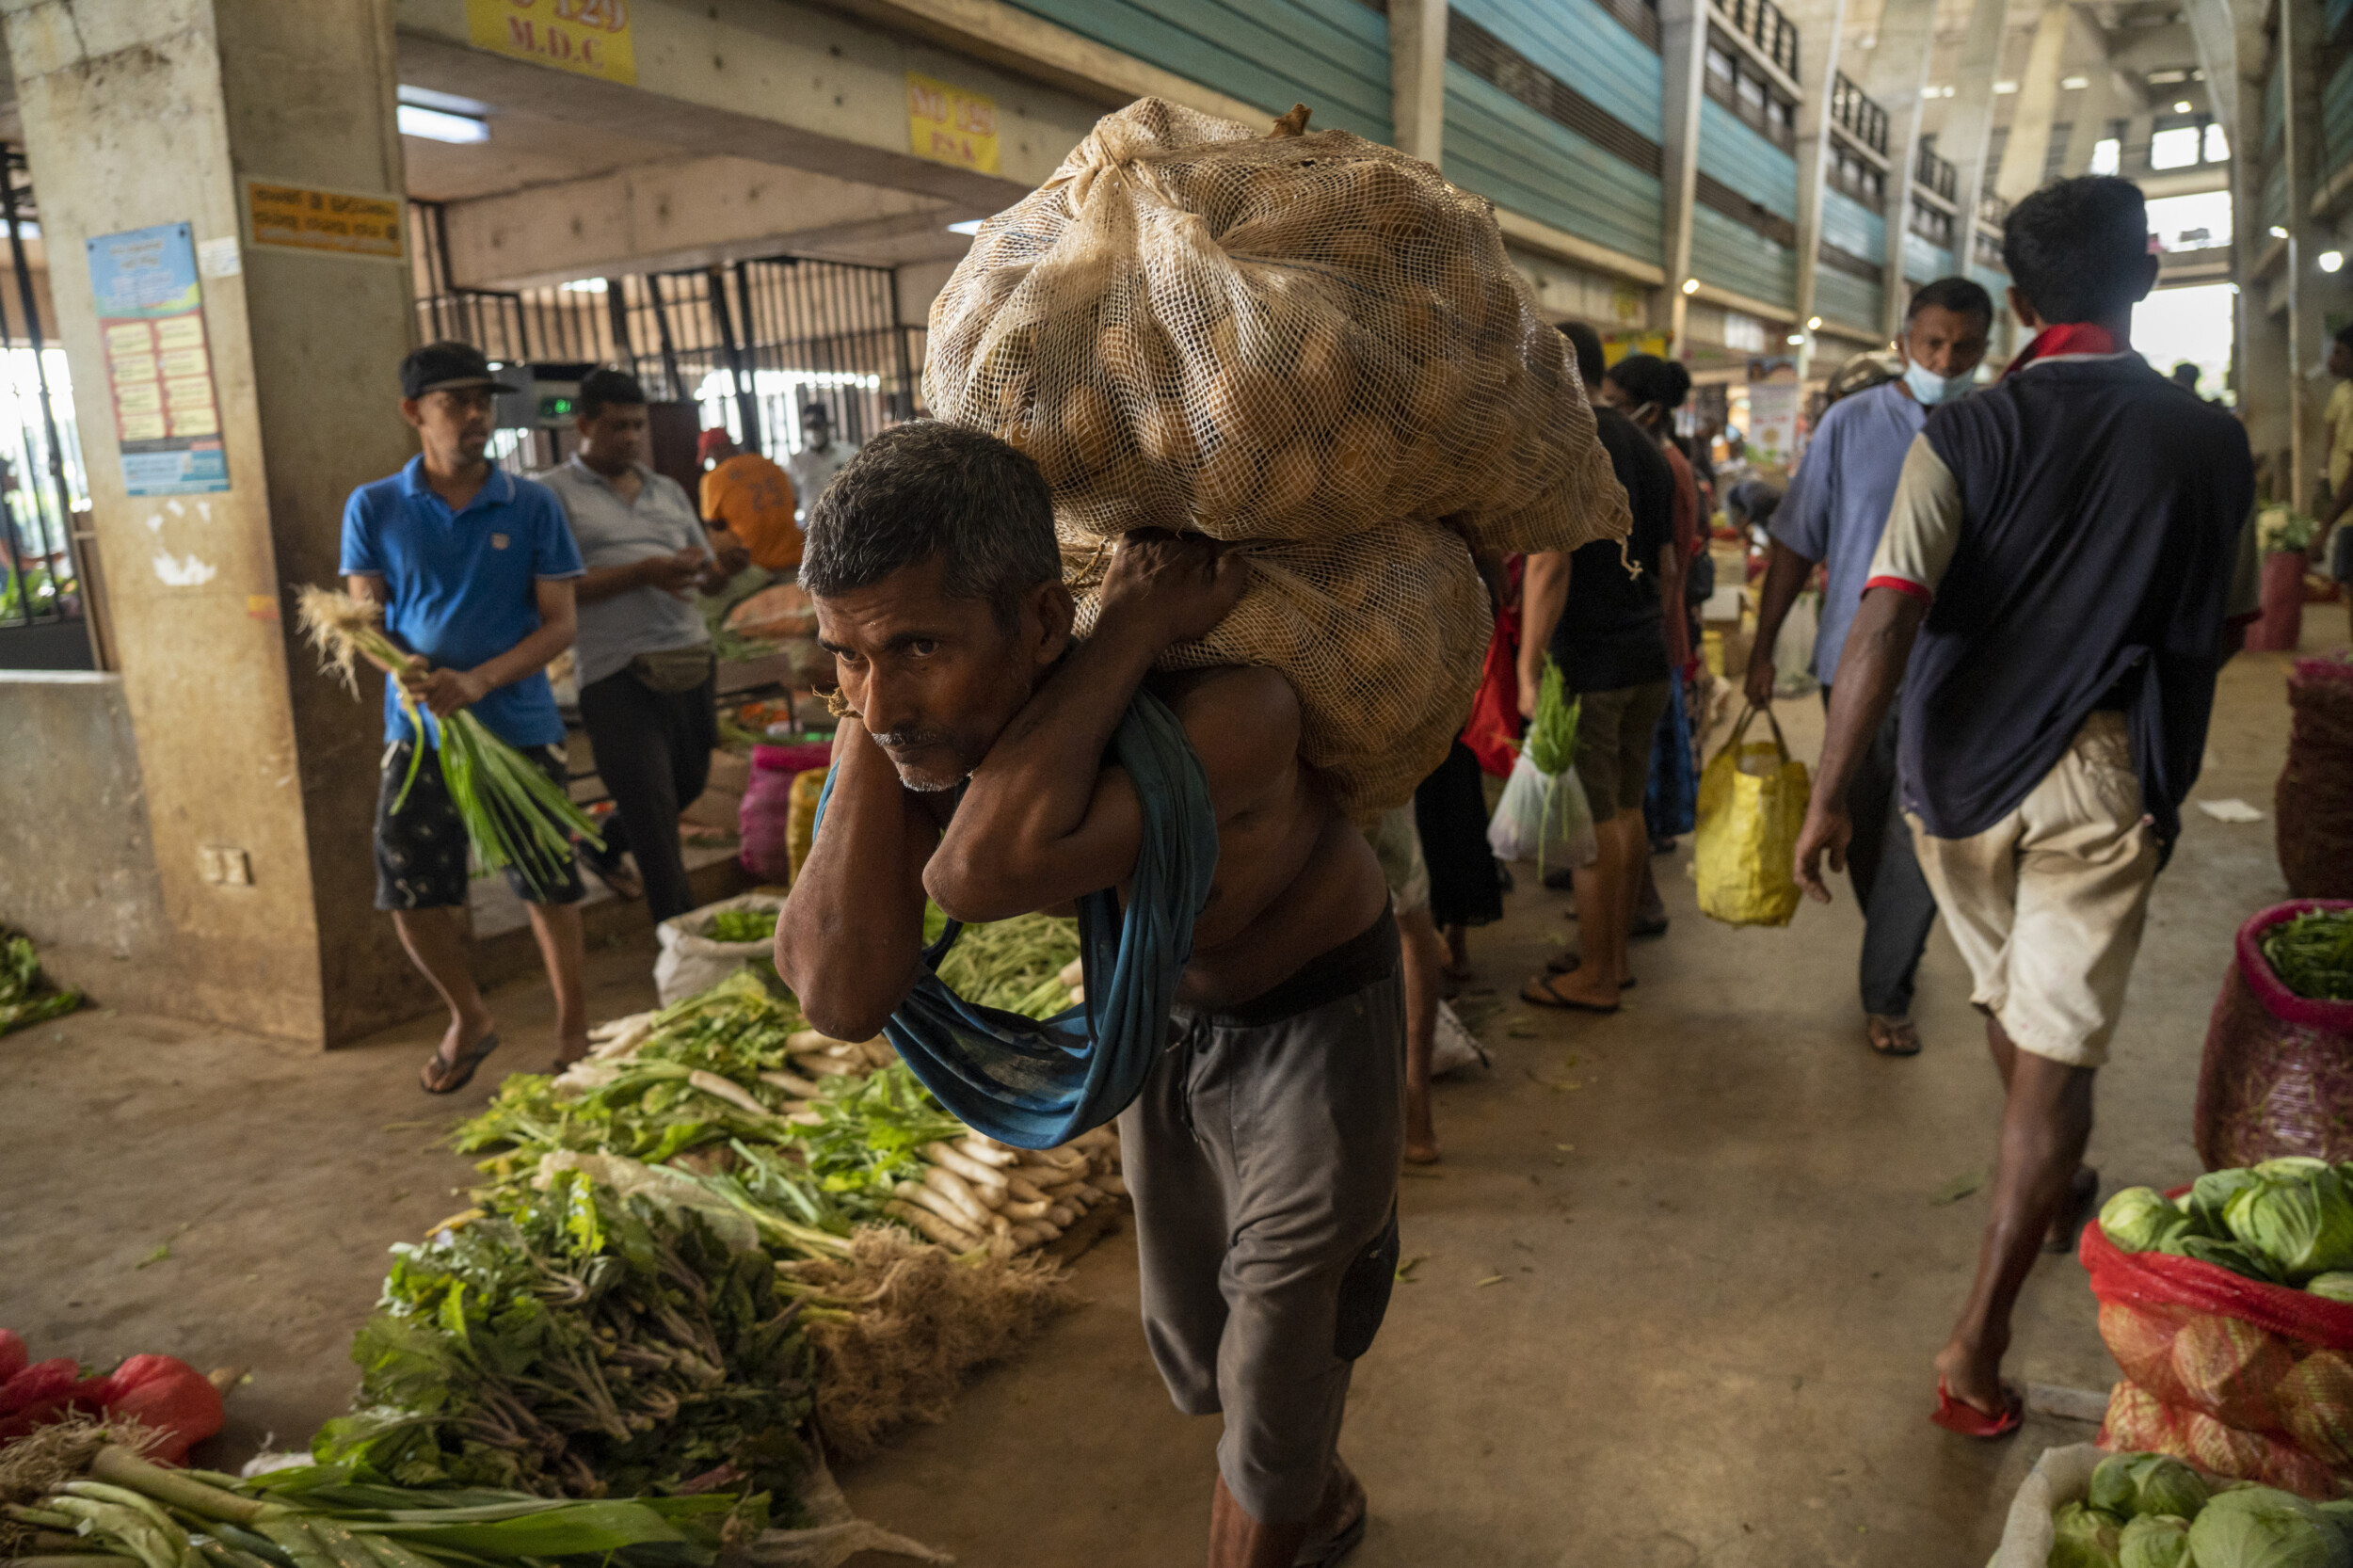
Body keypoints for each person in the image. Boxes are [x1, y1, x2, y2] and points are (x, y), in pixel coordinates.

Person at [776, 423, 1399, 1568]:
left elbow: (977, 873)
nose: (882, 696)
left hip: (1315, 1016)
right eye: (848, 655)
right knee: (1197, 1336)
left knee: (1279, 1339)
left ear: (1043, 622)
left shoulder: (1232, 709)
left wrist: (1131, 630)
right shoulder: (943, 736)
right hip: (1164, 1019)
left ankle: (1282, 1505)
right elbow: (839, 987)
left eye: (920, 643)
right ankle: (1312, 1479)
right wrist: (871, 705)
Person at [1791, 176, 2260, 1438]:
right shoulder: (2209, 443)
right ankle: (1975, 1346)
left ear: (2012, 303)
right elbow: (2229, 626)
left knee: (2018, 1013)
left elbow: (1885, 609)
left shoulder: (1967, 432)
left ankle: (2048, 1177)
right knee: (2048, 1064)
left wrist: (1830, 795)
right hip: (2104, 774)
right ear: (2149, 278)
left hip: (1947, 778)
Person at [1748, 276, 1994, 1059]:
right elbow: (1796, 542)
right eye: (1932, 344)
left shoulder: (1997, 427)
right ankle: (1888, 940)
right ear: (1903, 345)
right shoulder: (1851, 424)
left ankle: (1887, 987)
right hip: (1851, 666)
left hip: (1956, 670)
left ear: (1987, 350)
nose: (1946, 359)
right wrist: (1761, 649)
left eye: (1963, 347)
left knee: (1920, 825)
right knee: (1857, 822)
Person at [339, 342, 589, 1093]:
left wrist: (478, 681)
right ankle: (469, 1015)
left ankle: (574, 1032)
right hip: (418, 737)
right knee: (409, 889)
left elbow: (559, 625)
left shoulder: (533, 503)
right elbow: (360, 618)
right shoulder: (374, 506)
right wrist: (408, 671)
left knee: (550, 883)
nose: (476, 416)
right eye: (456, 402)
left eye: (483, 402)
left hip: (517, 726)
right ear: (415, 413)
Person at [540, 370, 746, 925]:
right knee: (654, 815)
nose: (631, 437)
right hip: (616, 673)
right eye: (616, 426)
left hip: (689, 656)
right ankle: (681, 939)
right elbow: (553, 591)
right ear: (583, 425)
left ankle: (603, 843)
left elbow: (704, 578)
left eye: (637, 426)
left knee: (688, 783)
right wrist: (641, 574)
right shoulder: (553, 495)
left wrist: (724, 571)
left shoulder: (667, 490)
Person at [1517, 325, 1675, 1013]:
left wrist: (1526, 669)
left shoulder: (1566, 442)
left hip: (1594, 663)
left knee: (1590, 825)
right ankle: (1610, 957)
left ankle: (1598, 975)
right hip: (1646, 656)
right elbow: (1667, 568)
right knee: (1626, 810)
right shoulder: (1644, 442)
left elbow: (1549, 563)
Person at [696, 428, 802, 573]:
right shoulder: (770, 464)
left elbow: (714, 526)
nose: (712, 461)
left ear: (717, 449)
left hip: (756, 568)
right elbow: (794, 503)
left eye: (709, 455)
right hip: (796, 559)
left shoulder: (713, 479)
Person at [2309, 324, 2353, 635]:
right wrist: (2325, 475)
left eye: (2339, 353)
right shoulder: (2343, 393)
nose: (2330, 360)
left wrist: (2324, 527)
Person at [785, 402, 859, 521]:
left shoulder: (848, 453)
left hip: (847, 522)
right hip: (812, 527)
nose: (814, 431)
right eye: (809, 426)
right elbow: (791, 499)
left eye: (817, 425)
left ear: (827, 425)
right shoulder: (797, 462)